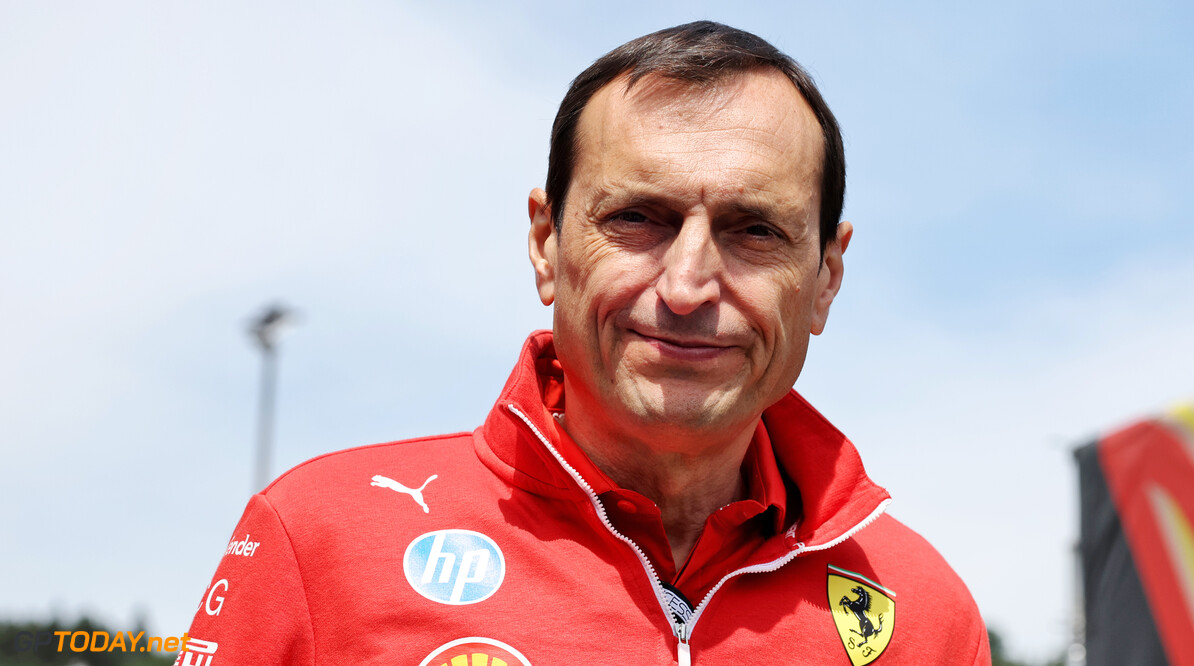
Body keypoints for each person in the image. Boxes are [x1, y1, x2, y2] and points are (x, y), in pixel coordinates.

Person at [176, 21, 990, 666]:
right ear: (545, 243)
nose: (686, 287)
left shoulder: (924, 610)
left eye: (755, 231)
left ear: (825, 279)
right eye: (637, 218)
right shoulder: (318, 539)